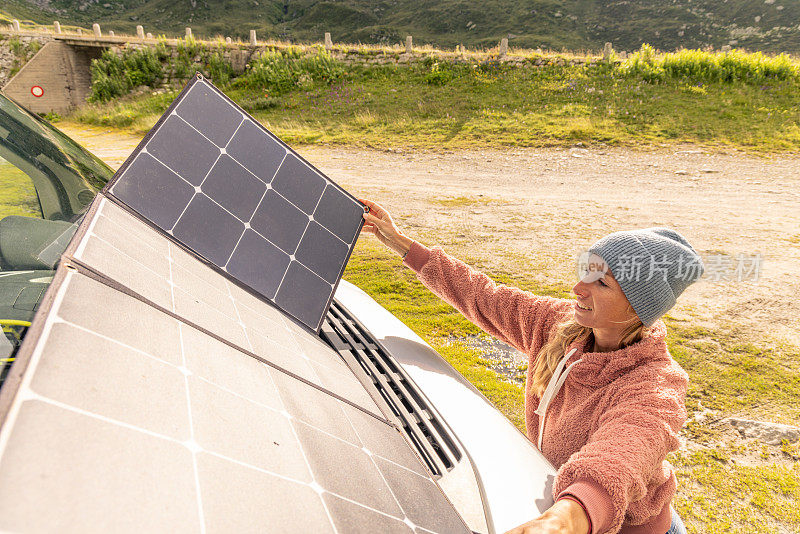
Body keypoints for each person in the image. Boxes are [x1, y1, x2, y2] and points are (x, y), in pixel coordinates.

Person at [360, 199, 700, 534]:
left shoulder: (655, 386)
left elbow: (620, 457)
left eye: (602, 283)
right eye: (587, 271)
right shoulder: (560, 324)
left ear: (638, 308)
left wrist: (560, 521)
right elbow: (483, 296)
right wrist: (399, 240)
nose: (578, 288)